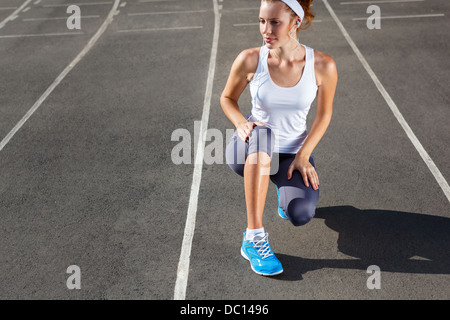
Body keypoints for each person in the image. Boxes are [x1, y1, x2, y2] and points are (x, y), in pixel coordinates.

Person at [220, 0, 337, 276]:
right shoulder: (250, 59)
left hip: (291, 154)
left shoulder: (322, 65)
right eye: (262, 21)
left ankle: (281, 190)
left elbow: (323, 116)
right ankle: (254, 237)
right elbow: (227, 98)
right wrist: (240, 123)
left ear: (296, 21)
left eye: (274, 22)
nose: (266, 30)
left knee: (301, 214)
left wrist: (304, 155)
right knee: (263, 135)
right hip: (250, 148)